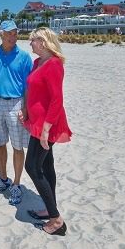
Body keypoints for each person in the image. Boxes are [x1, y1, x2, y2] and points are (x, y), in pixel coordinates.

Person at [20, 27, 72, 236]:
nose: (30, 44)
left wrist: (46, 130)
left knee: (32, 166)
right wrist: (25, 110)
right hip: (37, 122)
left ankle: (56, 220)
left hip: (47, 125)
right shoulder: (37, 63)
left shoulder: (54, 65)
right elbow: (32, 91)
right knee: (47, 166)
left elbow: (57, 100)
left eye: (33, 41)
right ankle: (50, 208)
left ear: (43, 42)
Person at [0, 19, 33, 205]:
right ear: (1, 34)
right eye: (9, 33)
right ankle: (3, 179)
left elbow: (28, 86)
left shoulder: (24, 57)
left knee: (17, 146)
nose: (14, 36)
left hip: (16, 104)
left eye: (15, 33)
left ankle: (17, 184)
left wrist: (26, 108)